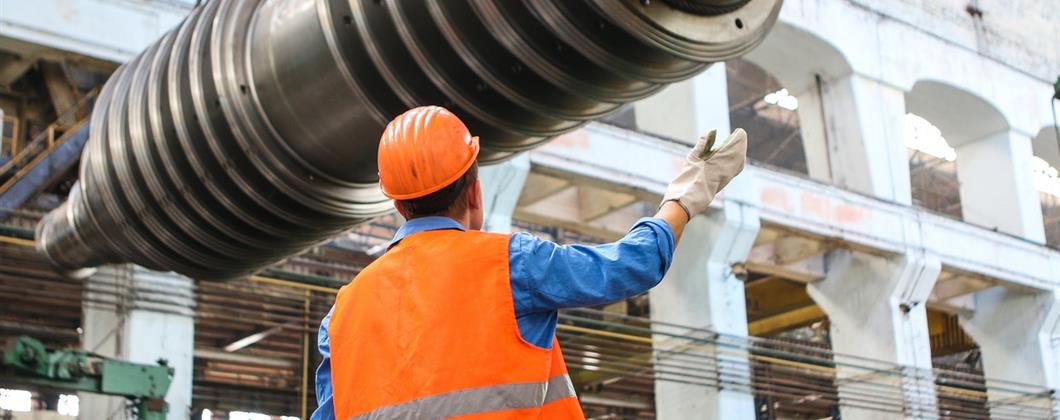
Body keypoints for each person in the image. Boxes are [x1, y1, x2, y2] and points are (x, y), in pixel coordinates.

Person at [312, 105, 747, 419]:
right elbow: (632, 265)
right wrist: (688, 194)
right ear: (474, 192)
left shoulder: (342, 316)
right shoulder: (511, 264)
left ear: (398, 206)